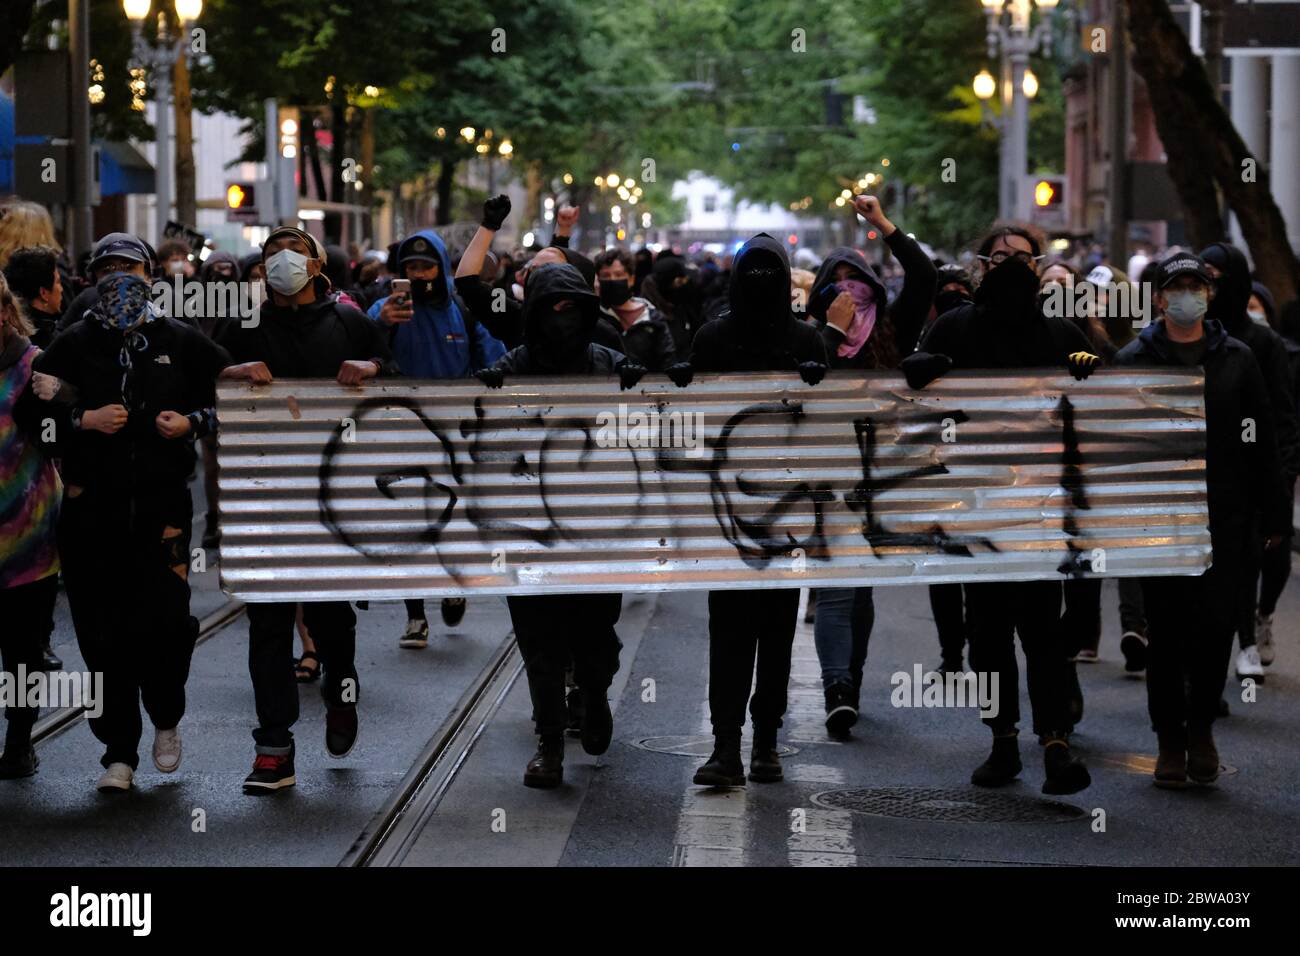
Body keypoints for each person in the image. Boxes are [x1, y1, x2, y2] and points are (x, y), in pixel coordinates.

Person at [33, 232, 231, 793]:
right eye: (108, 268)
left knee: (166, 625)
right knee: (101, 634)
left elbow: (232, 397)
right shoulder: (73, 343)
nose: (120, 277)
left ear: (150, 277)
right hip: (91, 513)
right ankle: (117, 751)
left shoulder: (181, 339)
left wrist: (193, 423)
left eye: (131, 268)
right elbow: (33, 416)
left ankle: (166, 716)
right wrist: (80, 422)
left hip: (164, 513)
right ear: (92, 279)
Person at [905, 222, 1095, 796]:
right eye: (999, 255)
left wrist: (1090, 371)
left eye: (1020, 256)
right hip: (975, 507)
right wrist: (921, 373)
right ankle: (1004, 740)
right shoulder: (954, 326)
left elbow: (1098, 408)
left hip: (1039, 509)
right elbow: (917, 409)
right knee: (987, 632)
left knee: (1043, 631)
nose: (1010, 263)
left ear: (1037, 266)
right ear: (981, 264)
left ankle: (1055, 741)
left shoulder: (1062, 331)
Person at [217, 226, 394, 795]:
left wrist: (373, 370)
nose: (281, 261)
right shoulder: (242, 326)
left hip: (333, 501)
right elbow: (201, 383)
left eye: (292, 252)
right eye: (271, 254)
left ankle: (342, 693)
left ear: (316, 265)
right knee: (266, 623)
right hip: (262, 495)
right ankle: (273, 748)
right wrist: (228, 373)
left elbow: (405, 387)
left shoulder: (351, 323)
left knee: (331, 621)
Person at [1113, 253, 1289, 787]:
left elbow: (1263, 436)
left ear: (1209, 296)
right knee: (1166, 633)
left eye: (1197, 286)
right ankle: (1169, 739)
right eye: (1177, 287)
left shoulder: (1237, 357)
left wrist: (1274, 511)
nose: (1187, 295)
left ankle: (1201, 730)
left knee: (1215, 629)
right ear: (1160, 298)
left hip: (1225, 516)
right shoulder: (1135, 360)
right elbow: (1116, 442)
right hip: (1160, 517)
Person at [476, 261, 642, 788]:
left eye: (574, 309)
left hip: (598, 535)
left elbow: (650, 433)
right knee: (540, 647)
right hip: (527, 536)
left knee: (596, 641)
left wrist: (646, 389)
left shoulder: (611, 362)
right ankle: (549, 744)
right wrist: (481, 393)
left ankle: (593, 693)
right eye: (554, 309)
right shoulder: (512, 366)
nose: (563, 319)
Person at [687, 233, 829, 787]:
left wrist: (819, 387)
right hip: (730, 516)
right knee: (733, 635)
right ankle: (729, 745)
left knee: (772, 635)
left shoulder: (805, 338)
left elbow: (827, 430)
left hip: (787, 514)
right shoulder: (715, 336)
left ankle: (763, 741)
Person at [805, 195, 937, 737]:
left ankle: (851, 679)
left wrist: (883, 225)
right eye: (834, 281)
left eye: (854, 279)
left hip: (880, 478)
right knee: (837, 584)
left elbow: (924, 278)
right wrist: (831, 334)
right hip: (824, 478)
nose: (847, 290)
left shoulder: (892, 327)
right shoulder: (810, 336)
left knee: (861, 588)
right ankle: (837, 685)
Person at [370, 228, 505, 647]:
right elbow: (357, 345)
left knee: (454, 517)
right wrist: (380, 323)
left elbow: (494, 359)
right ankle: (414, 616)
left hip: (457, 435)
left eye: (426, 265)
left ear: (442, 267)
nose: (418, 273)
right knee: (409, 522)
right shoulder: (385, 308)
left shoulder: (463, 310)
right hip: (402, 432)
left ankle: (454, 584)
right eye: (410, 267)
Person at [1199, 242, 1300, 683]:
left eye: (1216, 277)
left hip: (1259, 473)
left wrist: (1281, 475)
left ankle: (1255, 626)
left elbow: (1282, 415)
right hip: (1211, 476)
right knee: (1226, 565)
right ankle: (1237, 645)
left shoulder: (1263, 343)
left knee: (1262, 559)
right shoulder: (1192, 335)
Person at [0, 273, 65, 778]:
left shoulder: (34, 363)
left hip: (28, 532)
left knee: (21, 648)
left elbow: (60, 434)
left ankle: (19, 741)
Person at [591, 248, 677, 370]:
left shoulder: (653, 319)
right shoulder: (593, 317)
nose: (612, 280)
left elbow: (667, 360)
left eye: (618, 275)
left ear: (631, 279)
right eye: (606, 276)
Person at [4, 246, 64, 350]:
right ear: (43, 293)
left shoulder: (7, 332)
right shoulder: (49, 344)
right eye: (58, 282)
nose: (61, 289)